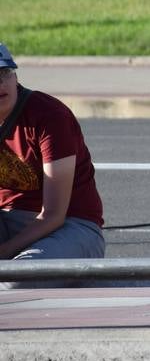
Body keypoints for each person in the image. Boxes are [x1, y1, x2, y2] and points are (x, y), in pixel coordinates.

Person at [0, 42, 106, 285]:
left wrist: (4, 253)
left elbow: (54, 215)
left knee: (16, 281)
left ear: (15, 76)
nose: (1, 84)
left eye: (5, 73)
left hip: (72, 226)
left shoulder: (48, 115)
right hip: (7, 220)